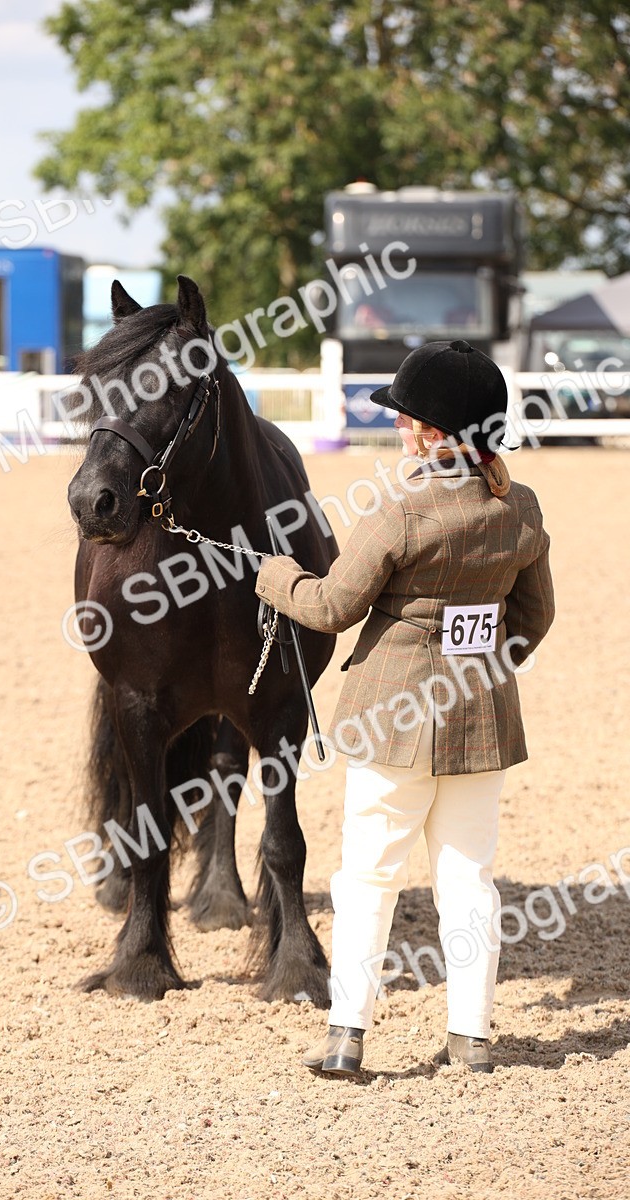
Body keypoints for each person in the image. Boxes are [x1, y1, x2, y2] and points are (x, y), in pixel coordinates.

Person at [254, 339, 554, 1076]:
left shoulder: (402, 510)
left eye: (406, 416)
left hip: (395, 721)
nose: (397, 425)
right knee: (469, 879)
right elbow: (535, 617)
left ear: (435, 431)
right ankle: (471, 1038)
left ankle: (347, 1036)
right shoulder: (519, 507)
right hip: (481, 718)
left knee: (368, 877)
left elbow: (332, 607)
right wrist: (480, 662)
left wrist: (275, 577)